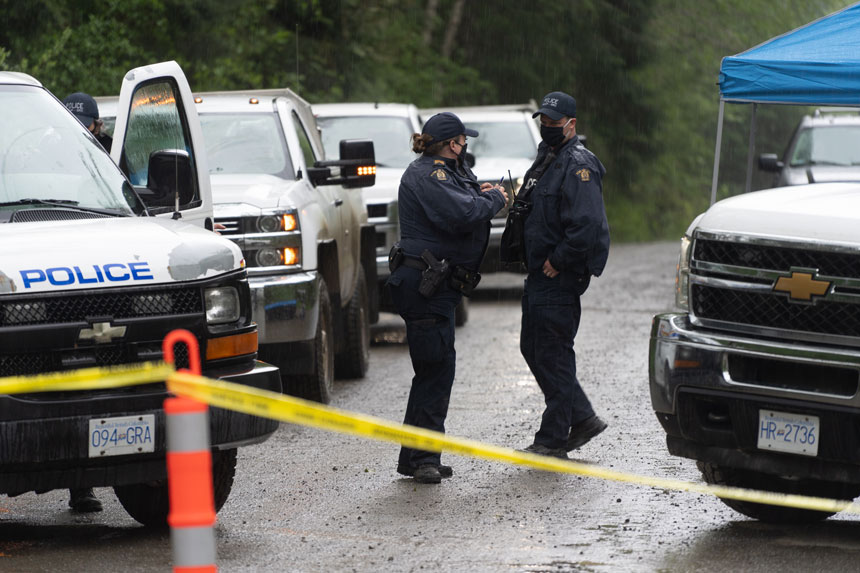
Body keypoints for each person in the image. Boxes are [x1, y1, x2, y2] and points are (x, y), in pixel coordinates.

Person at [387, 112, 508, 483]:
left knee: (435, 370)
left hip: (436, 286)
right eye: (462, 140)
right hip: (425, 286)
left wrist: (482, 191)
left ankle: (417, 456)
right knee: (435, 370)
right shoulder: (429, 174)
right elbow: (462, 213)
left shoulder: (446, 170)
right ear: (452, 143)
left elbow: (466, 197)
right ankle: (422, 458)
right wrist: (496, 200)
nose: (465, 145)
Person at [513, 91, 610, 459]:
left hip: (558, 274)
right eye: (544, 121)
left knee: (552, 351)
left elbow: (586, 225)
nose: (548, 127)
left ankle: (553, 438)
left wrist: (561, 259)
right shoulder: (548, 158)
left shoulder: (579, 164)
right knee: (533, 348)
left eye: (555, 122)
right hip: (539, 272)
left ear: (572, 124)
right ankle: (582, 416)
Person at [62, 91, 110, 513]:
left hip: (101, 276)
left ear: (97, 126)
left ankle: (84, 485)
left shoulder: (111, 158)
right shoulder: (51, 155)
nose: (82, 131)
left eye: (87, 124)